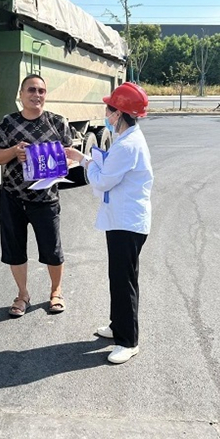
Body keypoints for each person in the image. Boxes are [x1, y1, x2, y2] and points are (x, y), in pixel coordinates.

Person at [66, 83, 153, 364]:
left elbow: (103, 180)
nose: (106, 114)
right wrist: (85, 159)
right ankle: (118, 326)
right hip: (122, 220)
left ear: (119, 113)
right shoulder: (125, 138)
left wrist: (85, 163)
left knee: (124, 280)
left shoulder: (127, 145)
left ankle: (128, 341)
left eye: (109, 109)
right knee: (118, 276)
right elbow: (109, 169)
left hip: (127, 223)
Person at [0, 74, 73, 317]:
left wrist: (60, 163)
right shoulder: (8, 123)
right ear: (21, 94)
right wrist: (14, 151)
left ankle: (56, 292)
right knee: (14, 249)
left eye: (41, 91)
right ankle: (22, 294)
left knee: (52, 250)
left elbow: (70, 156)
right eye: (31, 90)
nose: (36, 95)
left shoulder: (57, 122)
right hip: (13, 197)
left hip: (46, 199)